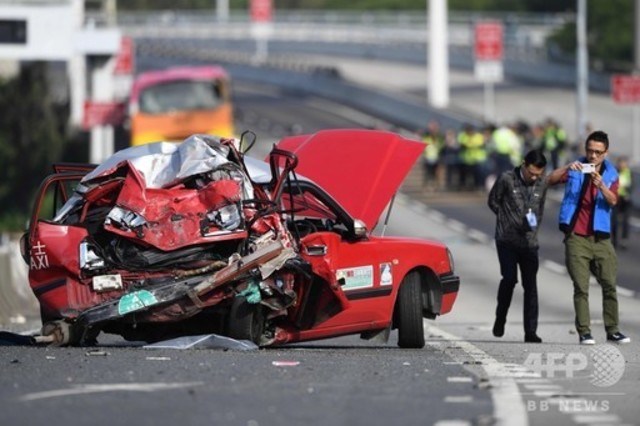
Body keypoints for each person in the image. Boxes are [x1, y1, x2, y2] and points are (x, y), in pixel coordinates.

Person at [547, 130, 630, 345]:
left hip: (601, 238)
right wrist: (567, 167)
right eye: (590, 151)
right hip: (577, 236)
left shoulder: (611, 175)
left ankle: (613, 330)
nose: (593, 156)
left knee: (609, 284)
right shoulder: (576, 168)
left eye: (598, 152)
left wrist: (600, 184)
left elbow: (613, 201)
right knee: (581, 287)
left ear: (606, 153)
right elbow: (550, 180)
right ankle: (584, 331)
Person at [488, 149, 549, 343]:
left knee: (530, 286)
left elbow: (540, 210)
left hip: (529, 243)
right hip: (506, 240)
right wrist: (506, 219)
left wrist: (533, 228)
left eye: (537, 174)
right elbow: (493, 201)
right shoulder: (507, 179)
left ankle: (530, 331)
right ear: (524, 164)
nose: (533, 177)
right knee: (509, 278)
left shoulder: (542, 184)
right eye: (531, 172)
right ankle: (500, 317)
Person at [611, 156, 633, 249]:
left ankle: (624, 239)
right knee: (614, 220)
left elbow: (632, 185)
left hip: (625, 200)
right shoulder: (614, 172)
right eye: (620, 163)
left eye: (623, 163)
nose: (622, 165)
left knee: (625, 221)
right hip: (616, 199)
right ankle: (614, 240)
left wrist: (628, 193)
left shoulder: (628, 172)